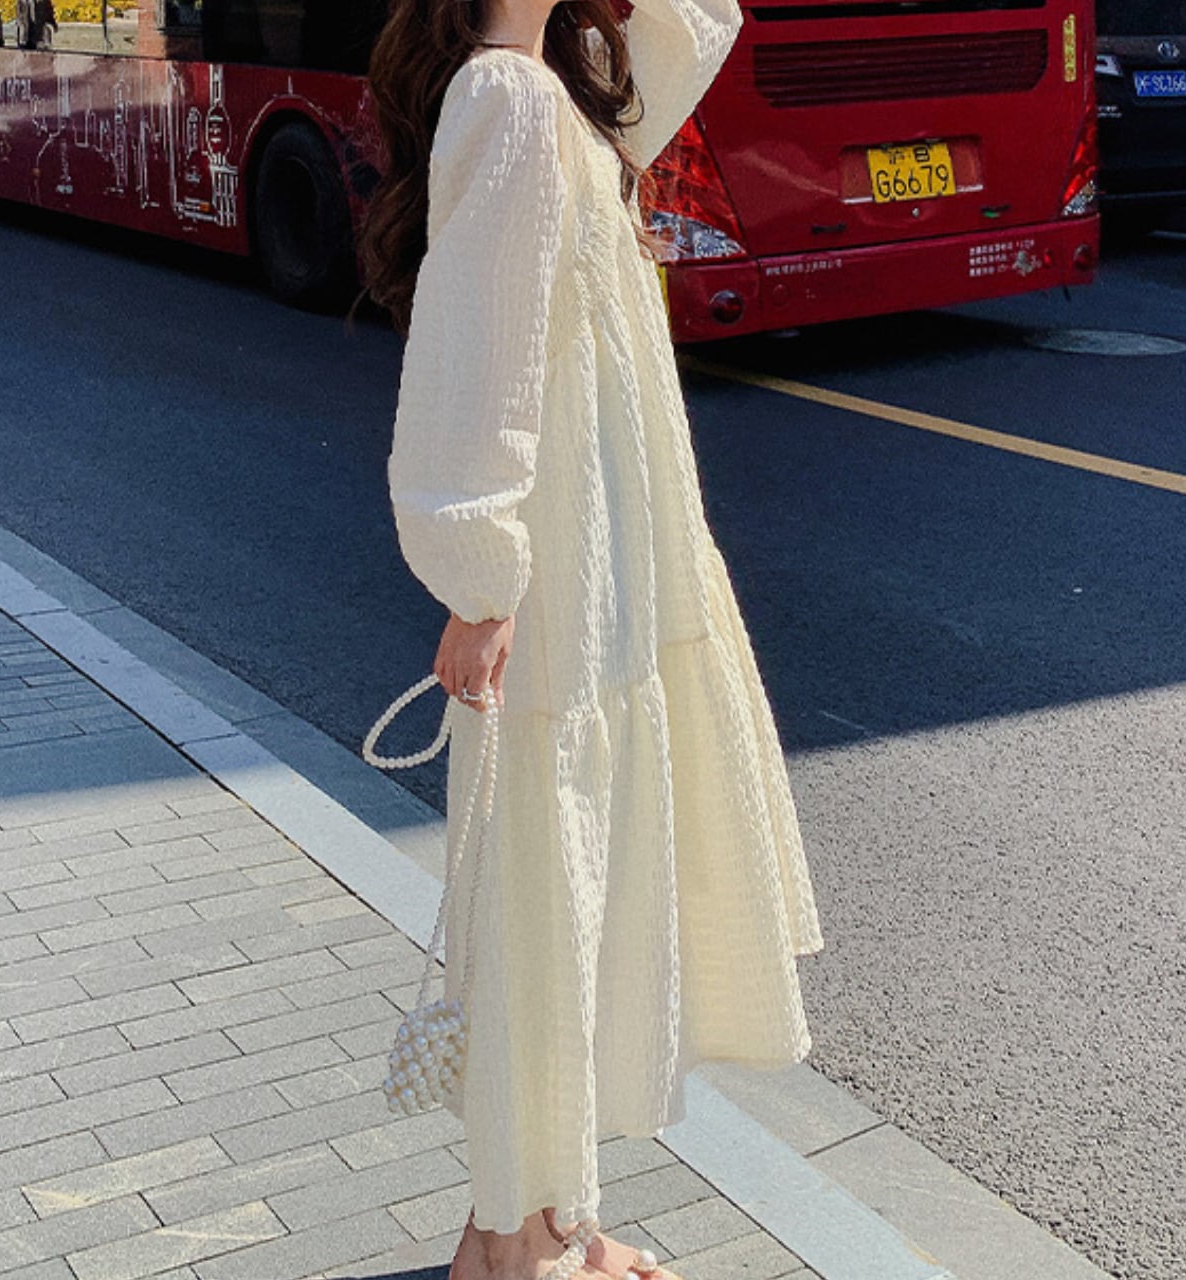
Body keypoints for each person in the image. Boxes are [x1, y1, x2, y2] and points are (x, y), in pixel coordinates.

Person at [361, 0, 824, 1276]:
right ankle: (513, 1243)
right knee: (545, 913)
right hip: (561, 601)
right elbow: (475, 358)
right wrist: (478, 580)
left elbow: (699, 22)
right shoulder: (510, 100)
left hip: (611, 577)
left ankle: (541, 1217)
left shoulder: (554, 96)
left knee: (577, 902)